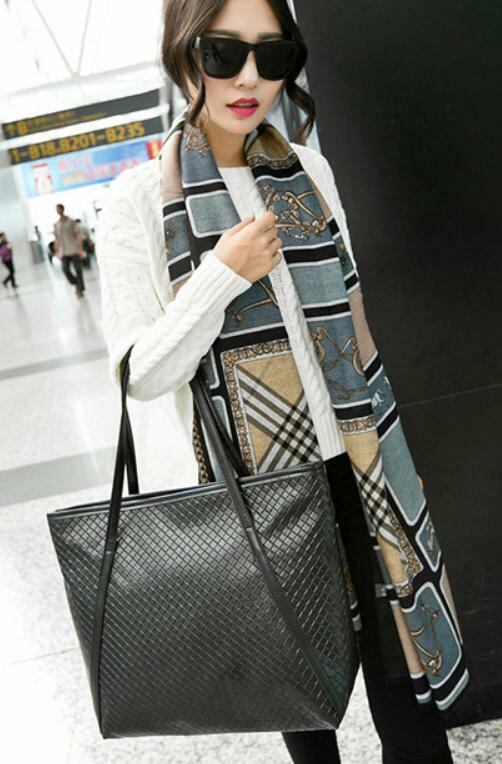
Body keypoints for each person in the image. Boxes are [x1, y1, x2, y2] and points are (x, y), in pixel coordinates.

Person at [97, 1, 469, 761]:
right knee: (305, 705)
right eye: (223, 52)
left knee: (408, 692)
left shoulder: (310, 170)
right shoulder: (135, 201)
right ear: (183, 53)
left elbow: (350, 322)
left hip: (362, 466)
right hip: (262, 491)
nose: (249, 78)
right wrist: (221, 275)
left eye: (272, 57)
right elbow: (140, 373)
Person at [53, 203, 86, 298]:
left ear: (62, 209)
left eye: (59, 209)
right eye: (56, 209)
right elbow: (57, 238)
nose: (58, 211)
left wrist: (80, 249)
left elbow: (78, 235)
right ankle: (76, 283)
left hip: (74, 249)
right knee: (65, 269)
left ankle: (79, 290)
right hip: (64, 252)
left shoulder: (71, 221)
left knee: (78, 270)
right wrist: (56, 250)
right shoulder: (56, 224)